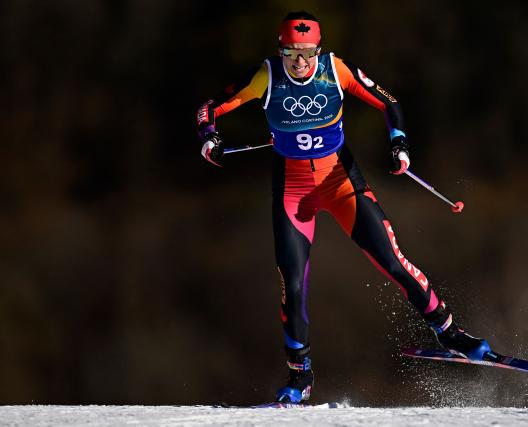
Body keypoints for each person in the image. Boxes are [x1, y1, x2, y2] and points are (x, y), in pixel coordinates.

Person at [196, 11, 491, 403]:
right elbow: (209, 108)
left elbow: (389, 104)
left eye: (306, 53)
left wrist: (399, 144)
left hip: (340, 181)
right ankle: (300, 376)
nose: (300, 64)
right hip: (294, 190)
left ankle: (450, 332)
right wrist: (209, 138)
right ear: (279, 49)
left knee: (392, 260)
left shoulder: (335, 70)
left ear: (318, 49)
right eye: (291, 54)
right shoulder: (265, 76)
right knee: (294, 285)